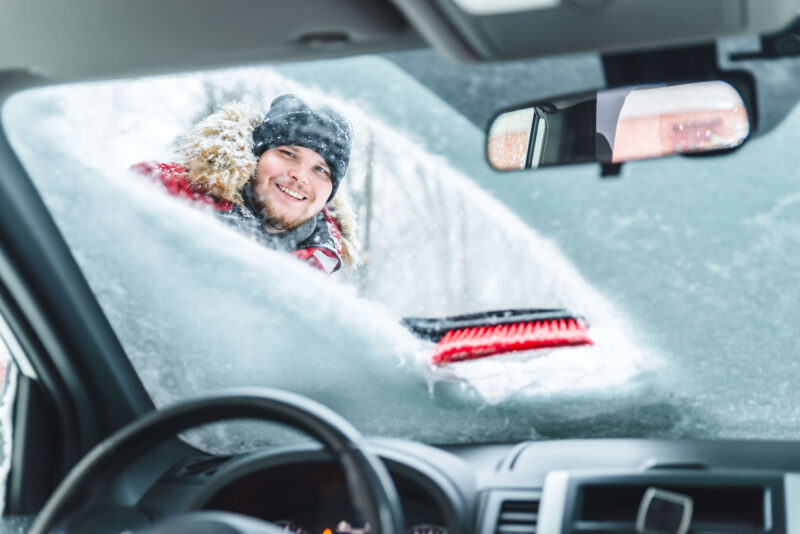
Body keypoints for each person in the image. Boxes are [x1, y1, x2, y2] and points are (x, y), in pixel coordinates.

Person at [132, 93, 359, 274]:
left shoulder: (318, 268)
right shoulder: (160, 191)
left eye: (320, 169)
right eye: (288, 153)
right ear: (255, 155)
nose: (301, 176)